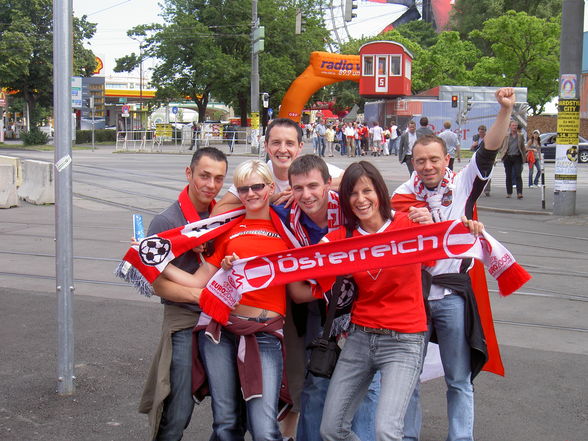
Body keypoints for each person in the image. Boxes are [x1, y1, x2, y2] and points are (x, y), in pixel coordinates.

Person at [317, 162, 482, 441]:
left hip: (404, 340)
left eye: (367, 191)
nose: (361, 200)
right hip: (359, 338)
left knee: (387, 431)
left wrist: (468, 227)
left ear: (380, 192)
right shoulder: (340, 239)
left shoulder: (409, 226)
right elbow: (297, 267)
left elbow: (451, 247)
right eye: (353, 194)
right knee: (332, 430)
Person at [393, 87, 516, 441]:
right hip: (413, 299)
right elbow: (386, 231)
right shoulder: (403, 195)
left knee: (458, 378)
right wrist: (409, 222)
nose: (428, 166)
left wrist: (504, 112)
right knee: (408, 379)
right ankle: (407, 436)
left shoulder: (463, 185)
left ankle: (460, 438)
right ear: (412, 163)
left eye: (434, 159)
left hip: (450, 297)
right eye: (420, 161)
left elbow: (489, 150)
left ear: (448, 159)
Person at [159, 160, 297, 441]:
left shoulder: (289, 227)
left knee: (264, 428)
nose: (251, 194)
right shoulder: (229, 227)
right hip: (221, 331)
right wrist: (155, 261)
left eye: (258, 186)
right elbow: (199, 279)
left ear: (271, 187)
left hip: (265, 333)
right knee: (225, 423)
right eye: (244, 188)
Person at [138, 147, 228, 441]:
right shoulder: (167, 222)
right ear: (189, 173)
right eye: (204, 176)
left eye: (218, 178)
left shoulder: (225, 216)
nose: (210, 185)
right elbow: (157, 284)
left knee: (229, 409)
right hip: (184, 321)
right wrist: (199, 296)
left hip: (223, 320)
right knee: (178, 408)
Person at [499, 120, 527, 199]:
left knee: (518, 175)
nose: (514, 127)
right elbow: (501, 146)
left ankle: (519, 193)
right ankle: (509, 192)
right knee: (508, 175)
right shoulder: (506, 136)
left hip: (517, 157)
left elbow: (522, 148)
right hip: (508, 157)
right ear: (510, 126)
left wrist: (524, 158)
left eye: (516, 125)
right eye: (513, 125)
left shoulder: (520, 136)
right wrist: (502, 153)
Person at [470, 125, 490, 196]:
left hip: (486, 157)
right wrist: (473, 145)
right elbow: (472, 149)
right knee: (476, 174)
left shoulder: (488, 138)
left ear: (485, 132)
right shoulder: (476, 137)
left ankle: (487, 190)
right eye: (480, 132)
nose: (481, 133)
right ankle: (475, 189)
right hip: (476, 157)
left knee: (486, 173)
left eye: (482, 132)